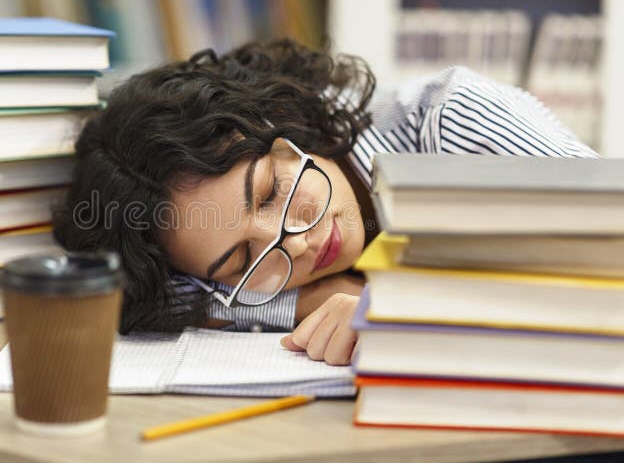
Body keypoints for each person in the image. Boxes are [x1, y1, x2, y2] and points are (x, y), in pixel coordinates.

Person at [53, 38, 597, 366]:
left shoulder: (456, 121)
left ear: (280, 126)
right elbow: (161, 297)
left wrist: (414, 305)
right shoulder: (228, 260)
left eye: (268, 192)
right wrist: (313, 299)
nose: (293, 242)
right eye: (244, 260)